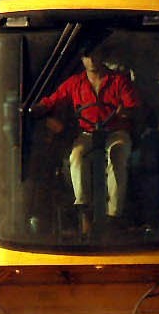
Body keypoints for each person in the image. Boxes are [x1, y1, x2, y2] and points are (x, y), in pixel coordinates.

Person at [30, 47, 143, 235]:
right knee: (76, 155)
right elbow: (54, 99)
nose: (91, 60)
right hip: (88, 133)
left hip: (115, 132)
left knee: (118, 154)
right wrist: (39, 108)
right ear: (82, 59)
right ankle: (84, 211)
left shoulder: (119, 81)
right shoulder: (75, 83)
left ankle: (113, 215)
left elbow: (133, 106)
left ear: (102, 56)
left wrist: (125, 112)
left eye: (95, 54)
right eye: (86, 56)